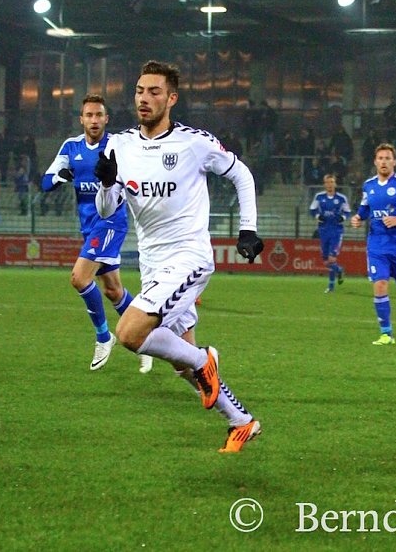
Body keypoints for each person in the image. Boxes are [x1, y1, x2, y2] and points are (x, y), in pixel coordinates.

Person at [95, 60, 265, 452]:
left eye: (154, 92)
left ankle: (206, 359)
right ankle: (241, 421)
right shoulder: (119, 144)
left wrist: (248, 229)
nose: (144, 98)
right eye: (140, 90)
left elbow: (241, 174)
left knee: (129, 333)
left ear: (171, 98)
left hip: (189, 257)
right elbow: (107, 209)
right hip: (153, 265)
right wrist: (105, 183)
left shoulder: (195, 142)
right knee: (181, 362)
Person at [41, 94, 153, 374]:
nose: (94, 120)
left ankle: (104, 337)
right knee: (113, 290)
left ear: (106, 119)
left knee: (79, 278)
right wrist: (59, 178)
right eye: (88, 115)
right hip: (89, 226)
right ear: (81, 119)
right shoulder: (71, 147)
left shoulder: (117, 146)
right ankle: (147, 340)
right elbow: (45, 182)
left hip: (111, 222)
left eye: (98, 115)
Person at [351, 143, 396, 345]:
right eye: (380, 158)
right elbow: (365, 208)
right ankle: (386, 333)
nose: (384, 161)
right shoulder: (369, 185)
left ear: (394, 162)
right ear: (375, 162)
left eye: (387, 158)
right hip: (376, 245)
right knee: (380, 284)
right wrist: (358, 217)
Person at [309, 174, 351, 293]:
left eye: (332, 182)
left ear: (335, 184)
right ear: (324, 184)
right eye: (327, 182)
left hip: (336, 231)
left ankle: (331, 287)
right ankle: (339, 270)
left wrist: (342, 217)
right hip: (323, 230)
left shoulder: (341, 198)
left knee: (332, 258)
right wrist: (318, 216)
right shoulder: (319, 197)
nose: (329, 184)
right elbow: (312, 210)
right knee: (326, 261)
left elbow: (347, 212)